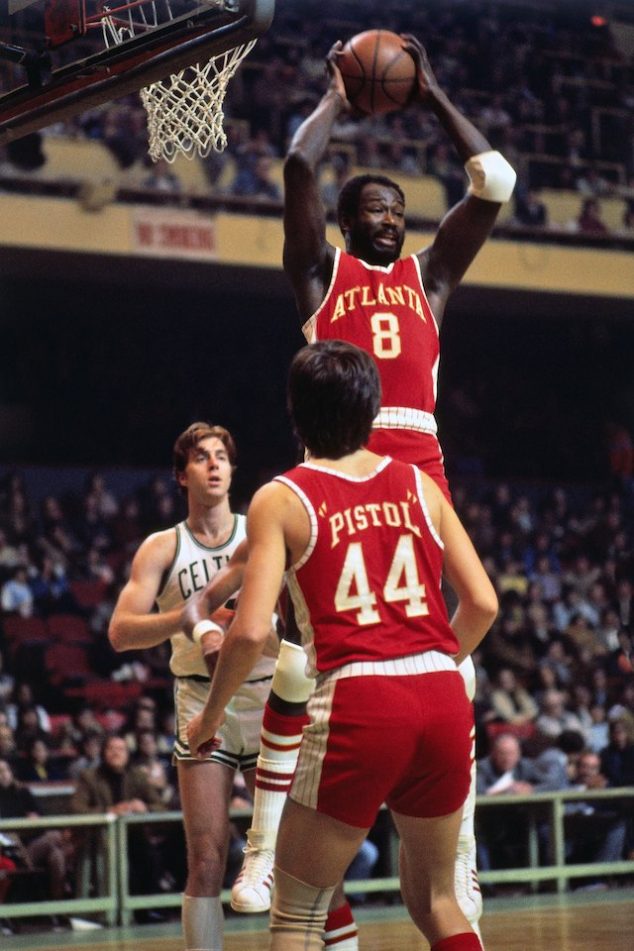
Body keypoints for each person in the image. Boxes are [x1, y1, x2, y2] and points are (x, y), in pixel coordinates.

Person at [226, 33, 516, 938]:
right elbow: (296, 168)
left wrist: (427, 93)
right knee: (312, 645)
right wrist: (333, 99)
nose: (389, 216)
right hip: (332, 457)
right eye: (374, 207)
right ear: (351, 224)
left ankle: (445, 833)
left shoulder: (431, 281)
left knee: (435, 642)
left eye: (397, 207)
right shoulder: (319, 276)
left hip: (414, 468)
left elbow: (494, 184)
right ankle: (272, 840)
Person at [188, 340, 497, 951]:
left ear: (294, 412)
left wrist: (212, 715)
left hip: (359, 696)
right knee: (438, 901)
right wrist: (428, 667)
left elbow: (249, 632)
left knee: (298, 912)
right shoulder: (418, 483)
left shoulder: (282, 496)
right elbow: (483, 603)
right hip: (441, 690)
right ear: (373, 409)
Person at [107, 422, 277, 951]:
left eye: (222, 456)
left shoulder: (264, 530)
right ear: (182, 475)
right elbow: (119, 632)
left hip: (270, 695)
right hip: (202, 699)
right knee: (207, 857)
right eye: (202, 457)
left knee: (297, 853)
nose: (214, 465)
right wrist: (187, 617)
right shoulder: (162, 547)